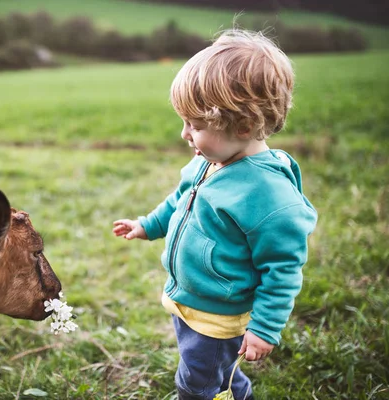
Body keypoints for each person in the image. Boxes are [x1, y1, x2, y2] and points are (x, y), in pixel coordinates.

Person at [112, 29, 317, 400]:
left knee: (196, 383)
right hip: (190, 300)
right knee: (217, 374)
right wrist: (147, 225)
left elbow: (283, 268)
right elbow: (180, 200)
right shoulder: (208, 161)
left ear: (243, 125)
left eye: (196, 125)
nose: (184, 134)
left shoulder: (269, 196)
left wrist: (265, 328)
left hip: (219, 317)